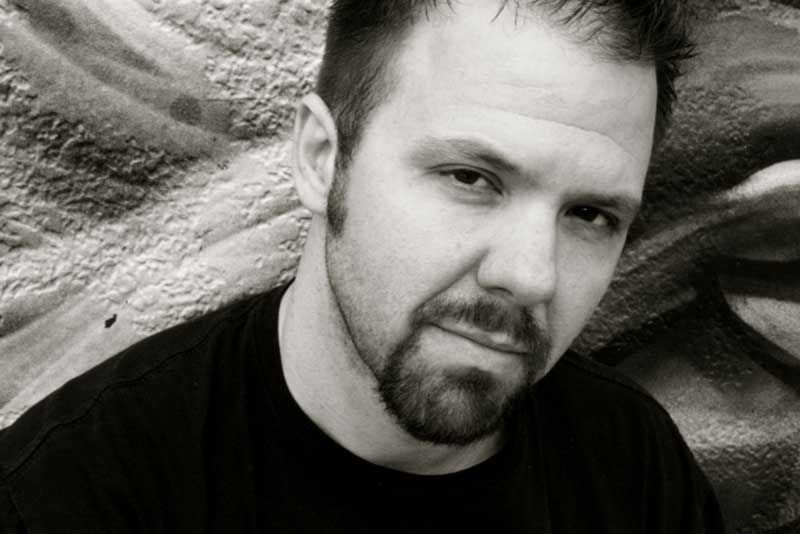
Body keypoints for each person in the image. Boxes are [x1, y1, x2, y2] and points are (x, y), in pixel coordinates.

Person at [0, 0, 725, 532]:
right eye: (471, 178)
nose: (532, 275)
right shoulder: (73, 495)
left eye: (591, 216)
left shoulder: (633, 470)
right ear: (322, 159)